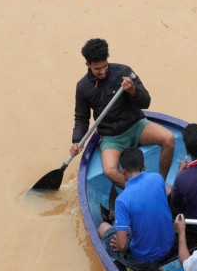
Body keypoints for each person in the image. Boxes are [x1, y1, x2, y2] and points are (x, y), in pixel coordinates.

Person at [70, 37, 175, 188]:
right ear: (88, 65)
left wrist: (133, 91)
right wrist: (77, 140)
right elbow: (81, 118)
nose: (103, 71)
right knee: (110, 171)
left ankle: (161, 183)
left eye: (105, 66)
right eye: (97, 69)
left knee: (169, 138)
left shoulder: (124, 72)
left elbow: (146, 102)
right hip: (111, 137)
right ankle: (138, 191)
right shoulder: (82, 87)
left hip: (136, 125)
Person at [96, 147, 175, 271]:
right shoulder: (158, 179)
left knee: (103, 227)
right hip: (170, 246)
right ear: (143, 167)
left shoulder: (122, 201)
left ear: (123, 171)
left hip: (144, 260)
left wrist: (121, 245)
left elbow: (122, 246)